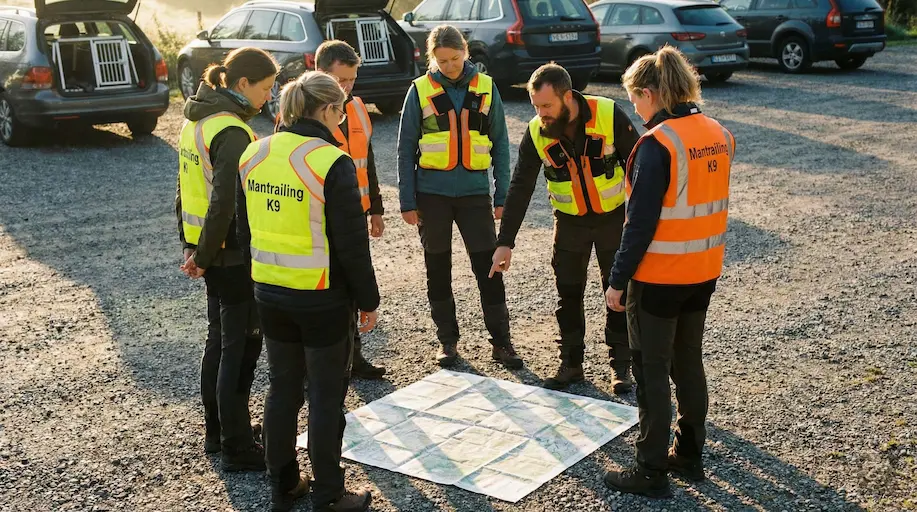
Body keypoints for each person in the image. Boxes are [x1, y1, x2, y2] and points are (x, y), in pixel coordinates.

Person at [237, 71, 378, 512]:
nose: (343, 118)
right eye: (341, 110)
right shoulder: (329, 161)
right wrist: (369, 300)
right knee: (324, 395)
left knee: (282, 390)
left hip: (269, 292)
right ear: (327, 110)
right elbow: (352, 245)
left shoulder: (253, 154)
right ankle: (330, 496)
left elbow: (246, 231)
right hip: (322, 298)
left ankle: (283, 487)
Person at [601, 46, 734, 498]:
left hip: (660, 277)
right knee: (688, 362)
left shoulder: (657, 146)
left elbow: (639, 224)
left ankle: (651, 468)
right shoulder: (717, 133)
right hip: (704, 270)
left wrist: (617, 280)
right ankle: (690, 455)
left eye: (635, 99)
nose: (635, 110)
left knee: (651, 370)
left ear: (651, 93)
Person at [489, 63, 640, 392]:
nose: (540, 114)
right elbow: (520, 186)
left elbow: (639, 166)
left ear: (568, 97)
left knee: (618, 294)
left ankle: (621, 367)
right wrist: (505, 242)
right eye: (535, 106)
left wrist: (641, 222)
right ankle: (571, 364)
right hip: (569, 224)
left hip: (612, 220)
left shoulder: (608, 113)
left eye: (546, 106)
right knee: (567, 295)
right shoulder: (536, 132)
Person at [175, 46, 278, 471]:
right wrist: (204, 253)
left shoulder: (195, 123)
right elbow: (224, 204)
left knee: (218, 342)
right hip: (231, 256)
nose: (268, 98)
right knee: (240, 349)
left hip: (209, 252)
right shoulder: (233, 133)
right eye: (266, 88)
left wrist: (191, 247)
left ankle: (217, 432)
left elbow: (183, 192)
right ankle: (239, 447)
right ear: (242, 85)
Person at [396, 25, 521, 369]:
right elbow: (405, 148)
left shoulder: (486, 86)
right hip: (431, 196)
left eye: (455, 58)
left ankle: (502, 342)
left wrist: (502, 195)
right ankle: (448, 342)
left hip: (474, 195)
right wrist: (407, 200)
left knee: (489, 270)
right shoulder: (419, 90)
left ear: (465, 51)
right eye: (442, 61)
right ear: (431, 58)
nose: (450, 66)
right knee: (438, 268)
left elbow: (501, 146)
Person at [315, 39, 386, 380]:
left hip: (355, 214)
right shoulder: (299, 112)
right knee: (327, 291)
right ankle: (324, 365)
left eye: (351, 80)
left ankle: (353, 358)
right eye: (339, 80)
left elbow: (366, 160)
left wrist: (376, 208)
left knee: (354, 285)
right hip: (318, 219)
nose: (344, 88)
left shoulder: (356, 108)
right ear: (319, 72)